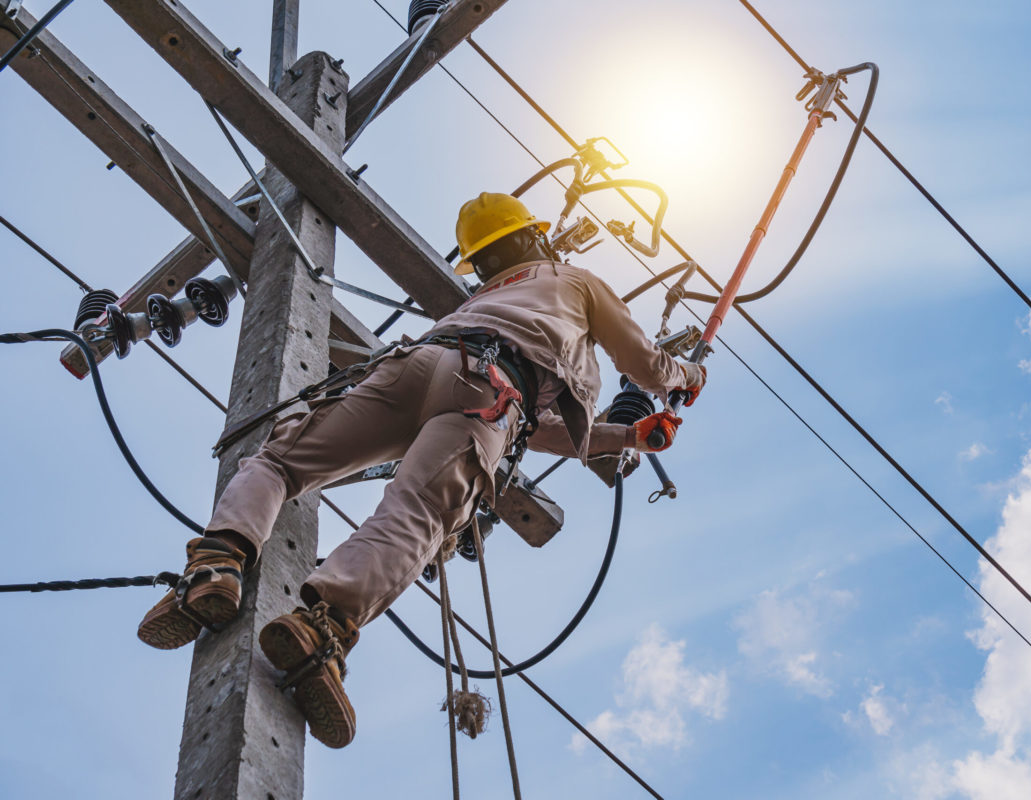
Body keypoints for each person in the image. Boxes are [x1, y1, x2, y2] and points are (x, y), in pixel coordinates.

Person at [136, 193, 705, 748]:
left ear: (481, 263)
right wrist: (687, 376)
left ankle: (217, 562)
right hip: (493, 390)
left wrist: (626, 435)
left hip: (417, 365)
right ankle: (320, 628)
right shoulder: (574, 281)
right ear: (534, 236)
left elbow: (540, 432)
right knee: (419, 513)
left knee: (282, 461)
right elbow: (643, 365)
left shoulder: (482, 300)